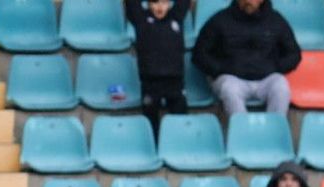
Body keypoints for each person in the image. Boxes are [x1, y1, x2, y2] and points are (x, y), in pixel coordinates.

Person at [192, 0, 300, 117]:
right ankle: (242, 132)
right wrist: (221, 69)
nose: (248, 1)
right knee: (229, 89)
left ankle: (274, 131)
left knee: (281, 86)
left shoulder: (276, 20)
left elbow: (294, 54)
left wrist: (274, 67)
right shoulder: (220, 20)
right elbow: (199, 53)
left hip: (266, 78)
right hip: (232, 78)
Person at [125, 0, 190, 134]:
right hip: (150, 82)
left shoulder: (176, 17)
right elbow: (131, 4)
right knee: (151, 124)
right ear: (148, 4)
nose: (160, 7)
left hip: (175, 81)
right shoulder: (141, 19)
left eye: (164, 2)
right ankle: (153, 150)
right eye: (155, 3)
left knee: (180, 121)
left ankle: (177, 150)